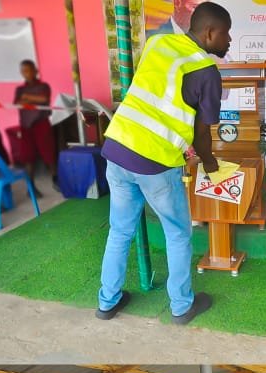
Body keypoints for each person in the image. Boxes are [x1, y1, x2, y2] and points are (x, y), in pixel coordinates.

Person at [96, 1, 230, 324]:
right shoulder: (207, 72)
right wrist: (211, 164)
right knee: (178, 234)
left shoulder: (157, 43)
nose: (229, 42)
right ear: (210, 33)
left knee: (119, 231)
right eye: (227, 34)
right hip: (155, 163)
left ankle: (107, 301)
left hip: (117, 148)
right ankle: (182, 306)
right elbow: (202, 135)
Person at [13, 59, 58, 192]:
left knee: (49, 154)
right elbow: (17, 102)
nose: (26, 73)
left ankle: (57, 181)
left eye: (28, 70)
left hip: (41, 124)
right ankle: (31, 187)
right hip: (26, 126)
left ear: (35, 70)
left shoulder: (43, 86)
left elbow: (44, 99)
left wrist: (27, 97)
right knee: (28, 157)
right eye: (23, 71)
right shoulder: (20, 89)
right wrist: (30, 98)